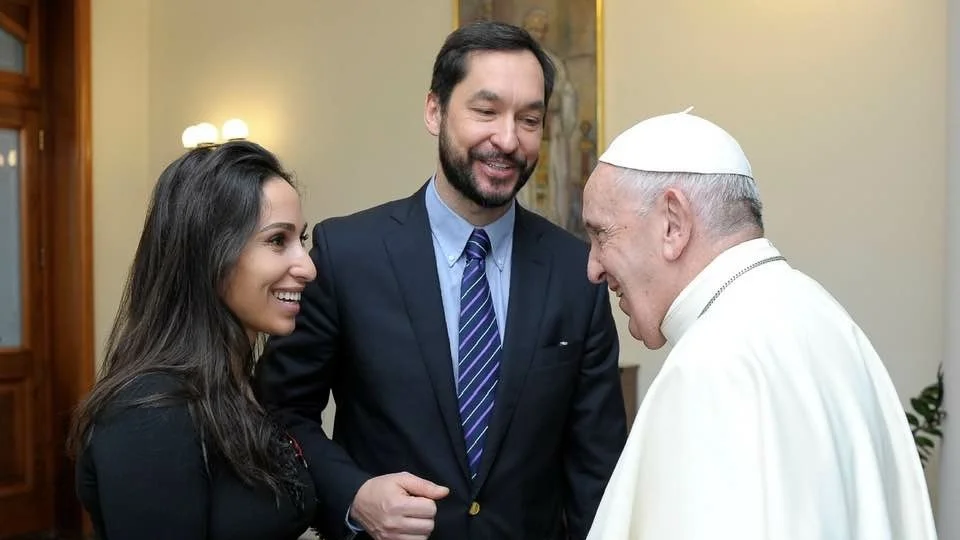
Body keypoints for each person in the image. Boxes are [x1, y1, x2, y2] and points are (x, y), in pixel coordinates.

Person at [254, 21, 627, 540]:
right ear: (435, 110)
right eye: (486, 111)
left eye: (529, 119)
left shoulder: (576, 271)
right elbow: (280, 413)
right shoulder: (348, 255)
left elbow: (597, 470)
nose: (508, 139)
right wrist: (353, 495)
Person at [580, 110, 938, 539]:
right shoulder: (826, 317)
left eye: (601, 234)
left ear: (673, 223)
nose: (593, 268)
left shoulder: (711, 367)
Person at [68, 141, 319, 540]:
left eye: (300, 240)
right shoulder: (152, 411)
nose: (307, 266)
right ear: (209, 255)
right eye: (277, 241)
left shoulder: (238, 384)